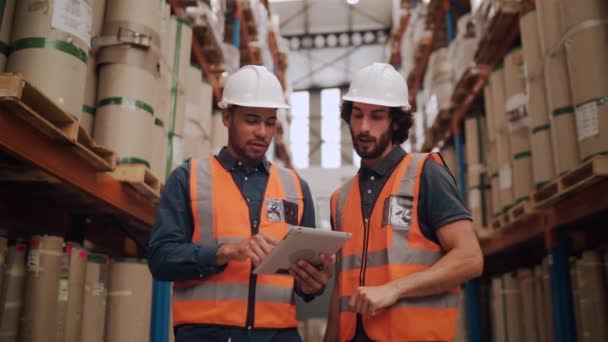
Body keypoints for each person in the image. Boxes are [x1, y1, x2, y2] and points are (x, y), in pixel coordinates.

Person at [148, 65, 333, 342]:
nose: (262, 132)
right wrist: (226, 252)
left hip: (278, 334)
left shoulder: (296, 188)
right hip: (206, 334)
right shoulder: (188, 179)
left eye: (270, 122)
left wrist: (314, 284)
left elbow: (303, 283)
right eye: (251, 120)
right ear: (226, 117)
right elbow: (161, 260)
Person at [323, 63, 484, 342]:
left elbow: (470, 258)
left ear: (395, 121)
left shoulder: (425, 173)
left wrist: (394, 289)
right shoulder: (341, 198)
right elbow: (341, 287)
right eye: (357, 115)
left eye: (376, 117)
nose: (363, 127)